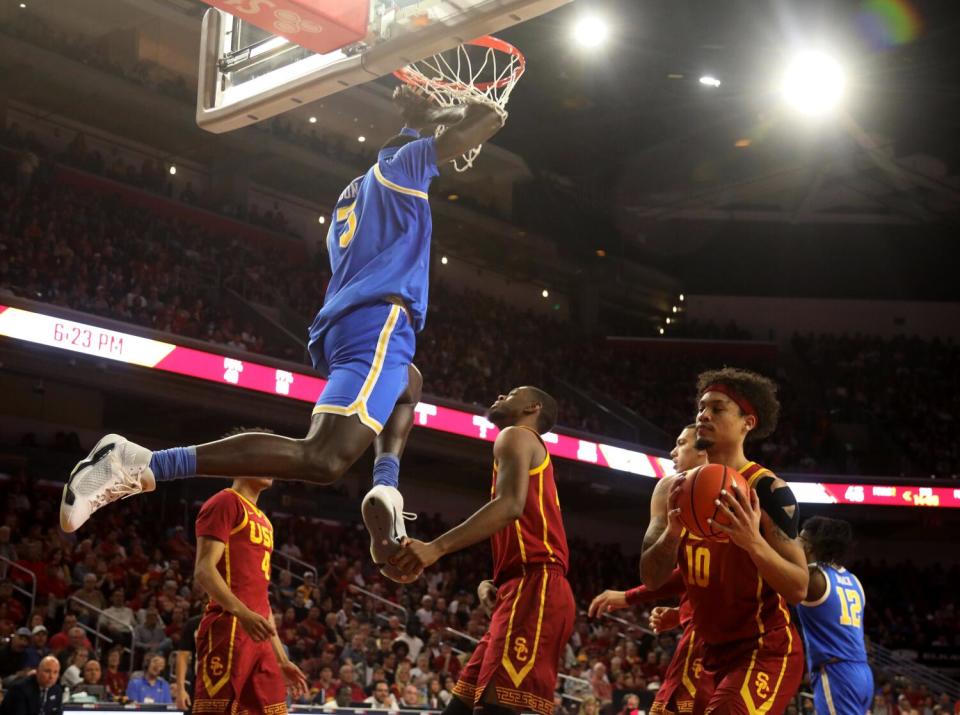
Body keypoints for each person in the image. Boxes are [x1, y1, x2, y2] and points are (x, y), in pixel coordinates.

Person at [60, 88, 507, 578]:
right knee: (324, 459)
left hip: (355, 326)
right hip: (378, 321)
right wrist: (457, 107)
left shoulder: (361, 187)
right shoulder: (403, 171)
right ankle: (137, 463)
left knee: (408, 382)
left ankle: (386, 484)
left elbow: (404, 143)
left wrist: (422, 116)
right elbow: (487, 120)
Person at [392, 386, 575, 715]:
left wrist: (436, 547)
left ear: (532, 407)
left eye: (513, 393)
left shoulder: (516, 435)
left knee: (494, 711)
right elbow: (520, 521)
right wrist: (500, 579)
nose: (502, 395)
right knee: (459, 710)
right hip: (521, 585)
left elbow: (509, 507)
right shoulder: (525, 446)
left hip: (536, 586)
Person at [640, 368, 807, 713]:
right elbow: (651, 577)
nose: (703, 415)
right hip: (709, 650)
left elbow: (798, 588)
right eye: (701, 408)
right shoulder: (670, 490)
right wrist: (672, 534)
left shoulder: (768, 490)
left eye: (717, 409)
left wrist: (753, 542)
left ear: (748, 422)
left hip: (763, 648)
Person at [588, 425, 711, 715]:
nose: (672, 451)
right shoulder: (671, 489)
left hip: (726, 631)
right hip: (709, 626)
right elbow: (673, 573)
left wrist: (630, 597)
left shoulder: (739, 489)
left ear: (704, 450)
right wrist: (680, 612)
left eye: (681, 443)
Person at [190, 457, 307, 714]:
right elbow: (204, 569)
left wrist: (282, 658)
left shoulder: (266, 521)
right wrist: (243, 613)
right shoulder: (225, 501)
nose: (271, 466)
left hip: (258, 634)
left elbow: (262, 600)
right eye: (262, 457)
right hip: (229, 625)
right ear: (240, 461)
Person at [796, 517, 873, 715]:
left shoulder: (813, 578)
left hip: (837, 672)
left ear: (810, 547)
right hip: (862, 673)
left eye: (800, 539)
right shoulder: (853, 579)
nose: (796, 542)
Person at [174, 610, 202, 711]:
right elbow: (182, 656)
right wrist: (180, 689)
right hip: (199, 683)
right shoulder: (194, 623)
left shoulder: (238, 620)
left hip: (230, 682)